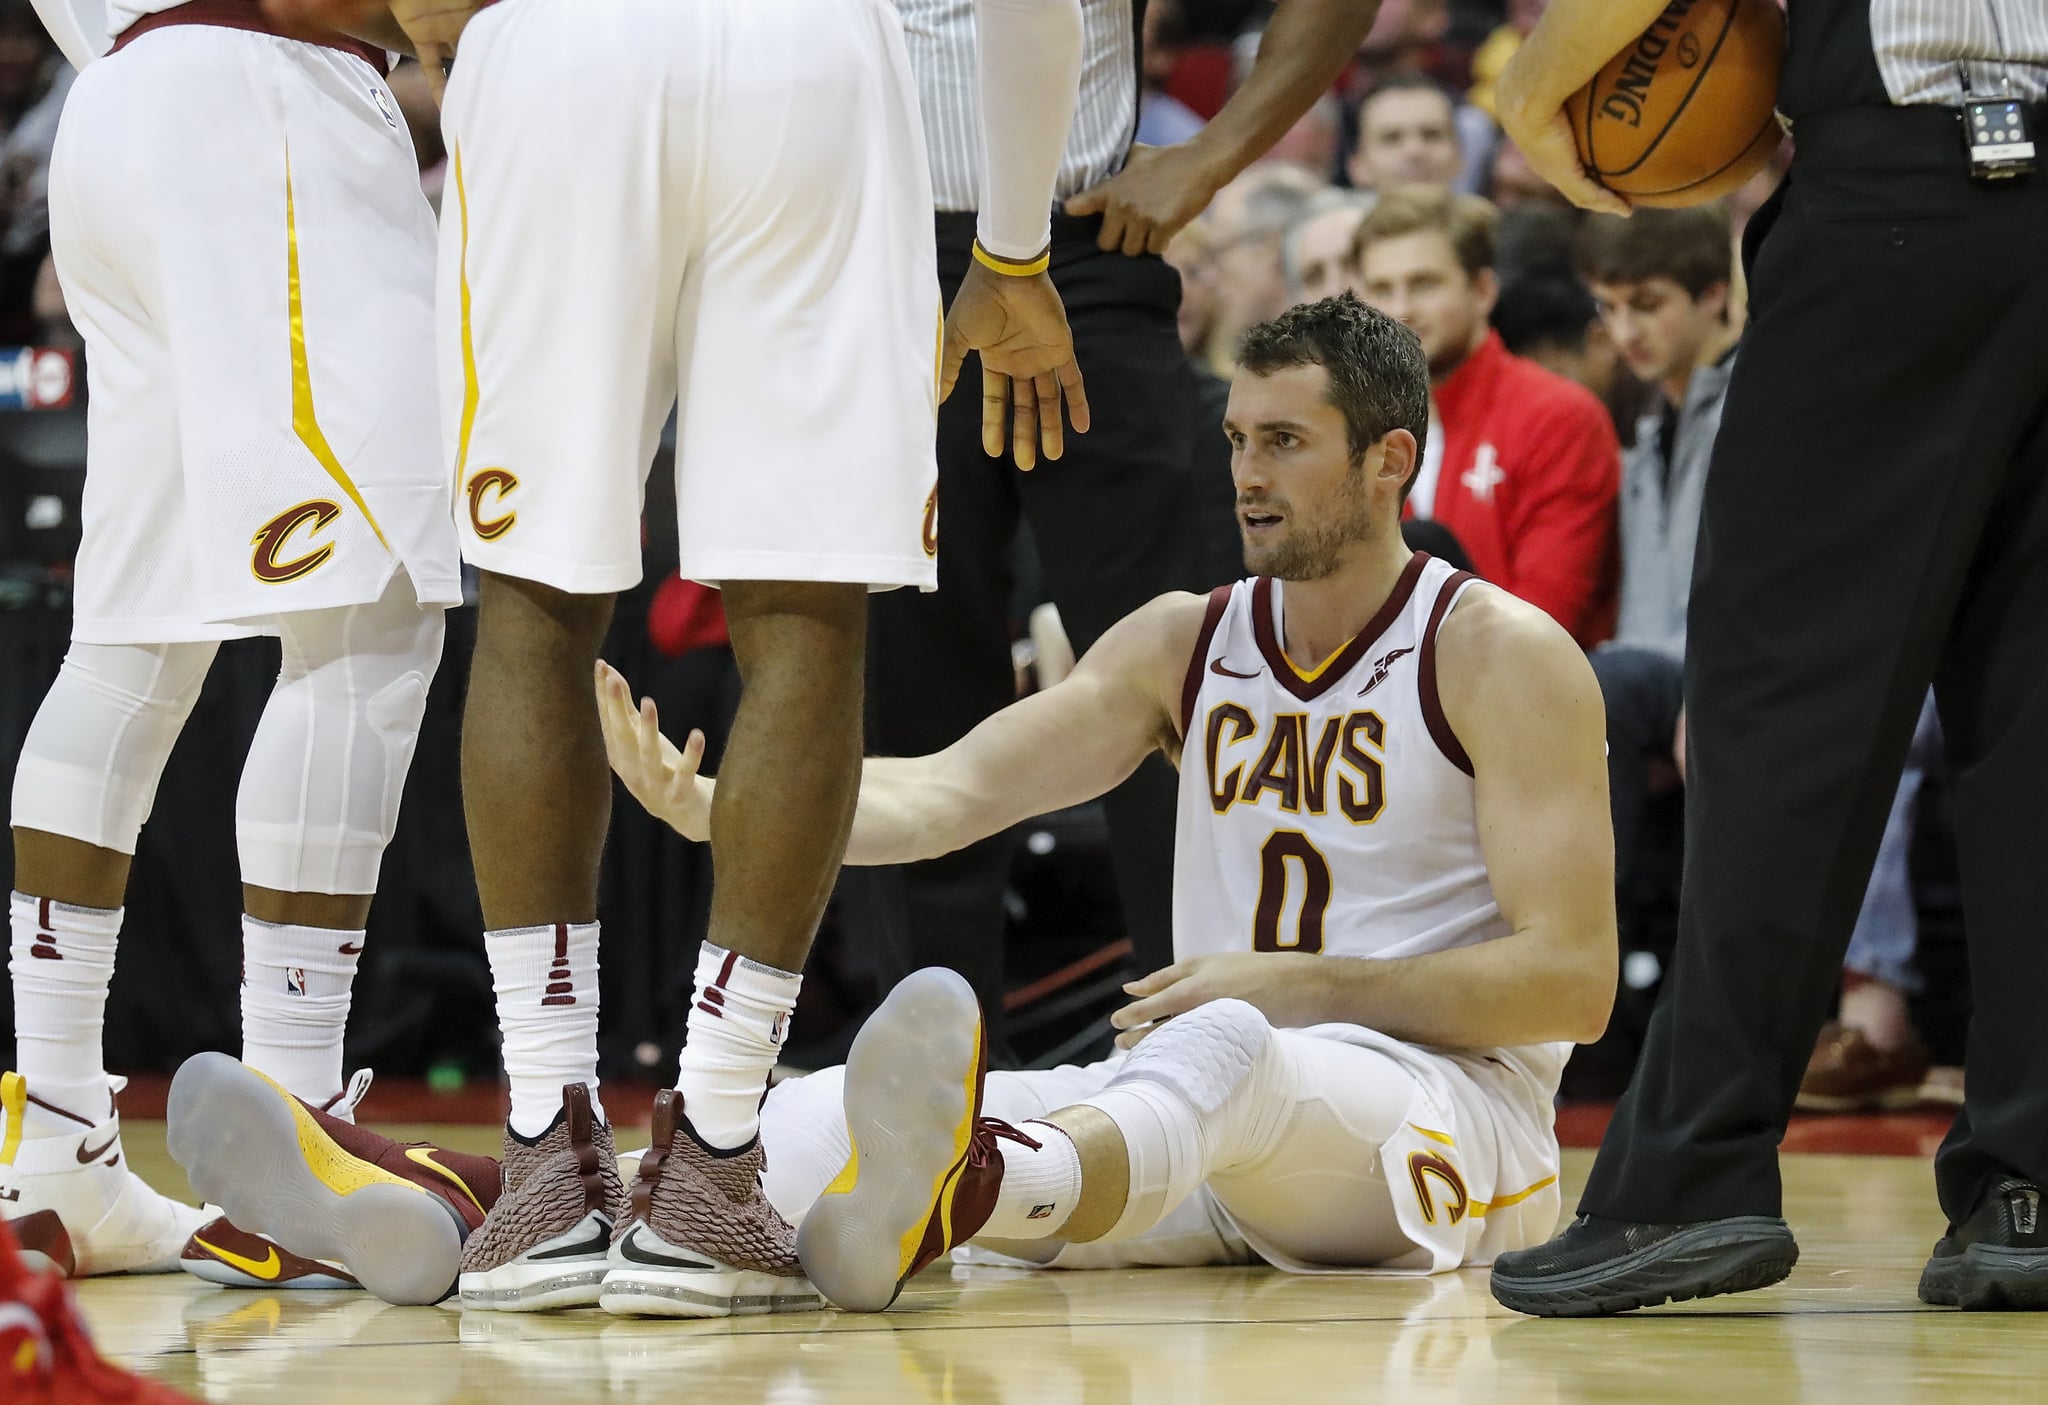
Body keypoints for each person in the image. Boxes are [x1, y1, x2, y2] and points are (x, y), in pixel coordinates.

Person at [168, 295, 1617, 1310]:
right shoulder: (1188, 633)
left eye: (1284, 444)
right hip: (1186, 1133)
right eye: (1237, 438)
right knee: (791, 1127)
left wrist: (1294, 986)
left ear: (1389, 459)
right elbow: (953, 791)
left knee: (1229, 1037)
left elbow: (1575, 981)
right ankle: (457, 1215)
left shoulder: (1498, 653)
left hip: (1442, 1134)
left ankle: (969, 1187)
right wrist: (728, 807)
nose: (1245, 473)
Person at [271, 0, 1092, 1318]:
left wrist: (451, 42)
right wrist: (1011, 243)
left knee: (535, 606)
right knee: (806, 616)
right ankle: (711, 1155)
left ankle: (546, 1148)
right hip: (806, 64)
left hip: (561, 53)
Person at [1488, 0, 2048, 1315]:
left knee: (1780, 703)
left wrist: (1530, 95)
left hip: (1903, 198)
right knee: (2033, 717)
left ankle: (1692, 1178)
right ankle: (2029, 1183)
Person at [3, 0, 459, 1286]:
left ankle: (54, 1145)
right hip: (272, 93)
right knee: (367, 625)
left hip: (126, 103)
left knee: (131, 646)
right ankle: (295, 1129)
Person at [847, 0, 1388, 1062]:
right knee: (906, 710)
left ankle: (1219, 1068)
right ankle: (934, 1098)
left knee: (1188, 686)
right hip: (872, 267)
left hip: (1081, 253)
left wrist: (1208, 156)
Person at [1352, 187, 1620, 646]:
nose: (1400, 309)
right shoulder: (1356, 431)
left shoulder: (1559, 418)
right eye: (1381, 289)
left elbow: (1541, 627)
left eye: (1424, 284)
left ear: (1482, 290)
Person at [1571, 206, 1737, 883]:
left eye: (1647, 304)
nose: (1625, 331)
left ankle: (1581, 962)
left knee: (1601, 684)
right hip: (1649, 670)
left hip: (1723, 670)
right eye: (1609, 308)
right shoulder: (1649, 421)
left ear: (1713, 294)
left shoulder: (1756, 404)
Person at [1345, 72, 1462, 195]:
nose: (1415, 151)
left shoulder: (1482, 213)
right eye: (1392, 138)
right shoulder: (1328, 212)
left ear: (1459, 156)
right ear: (1357, 165)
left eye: (1431, 135)